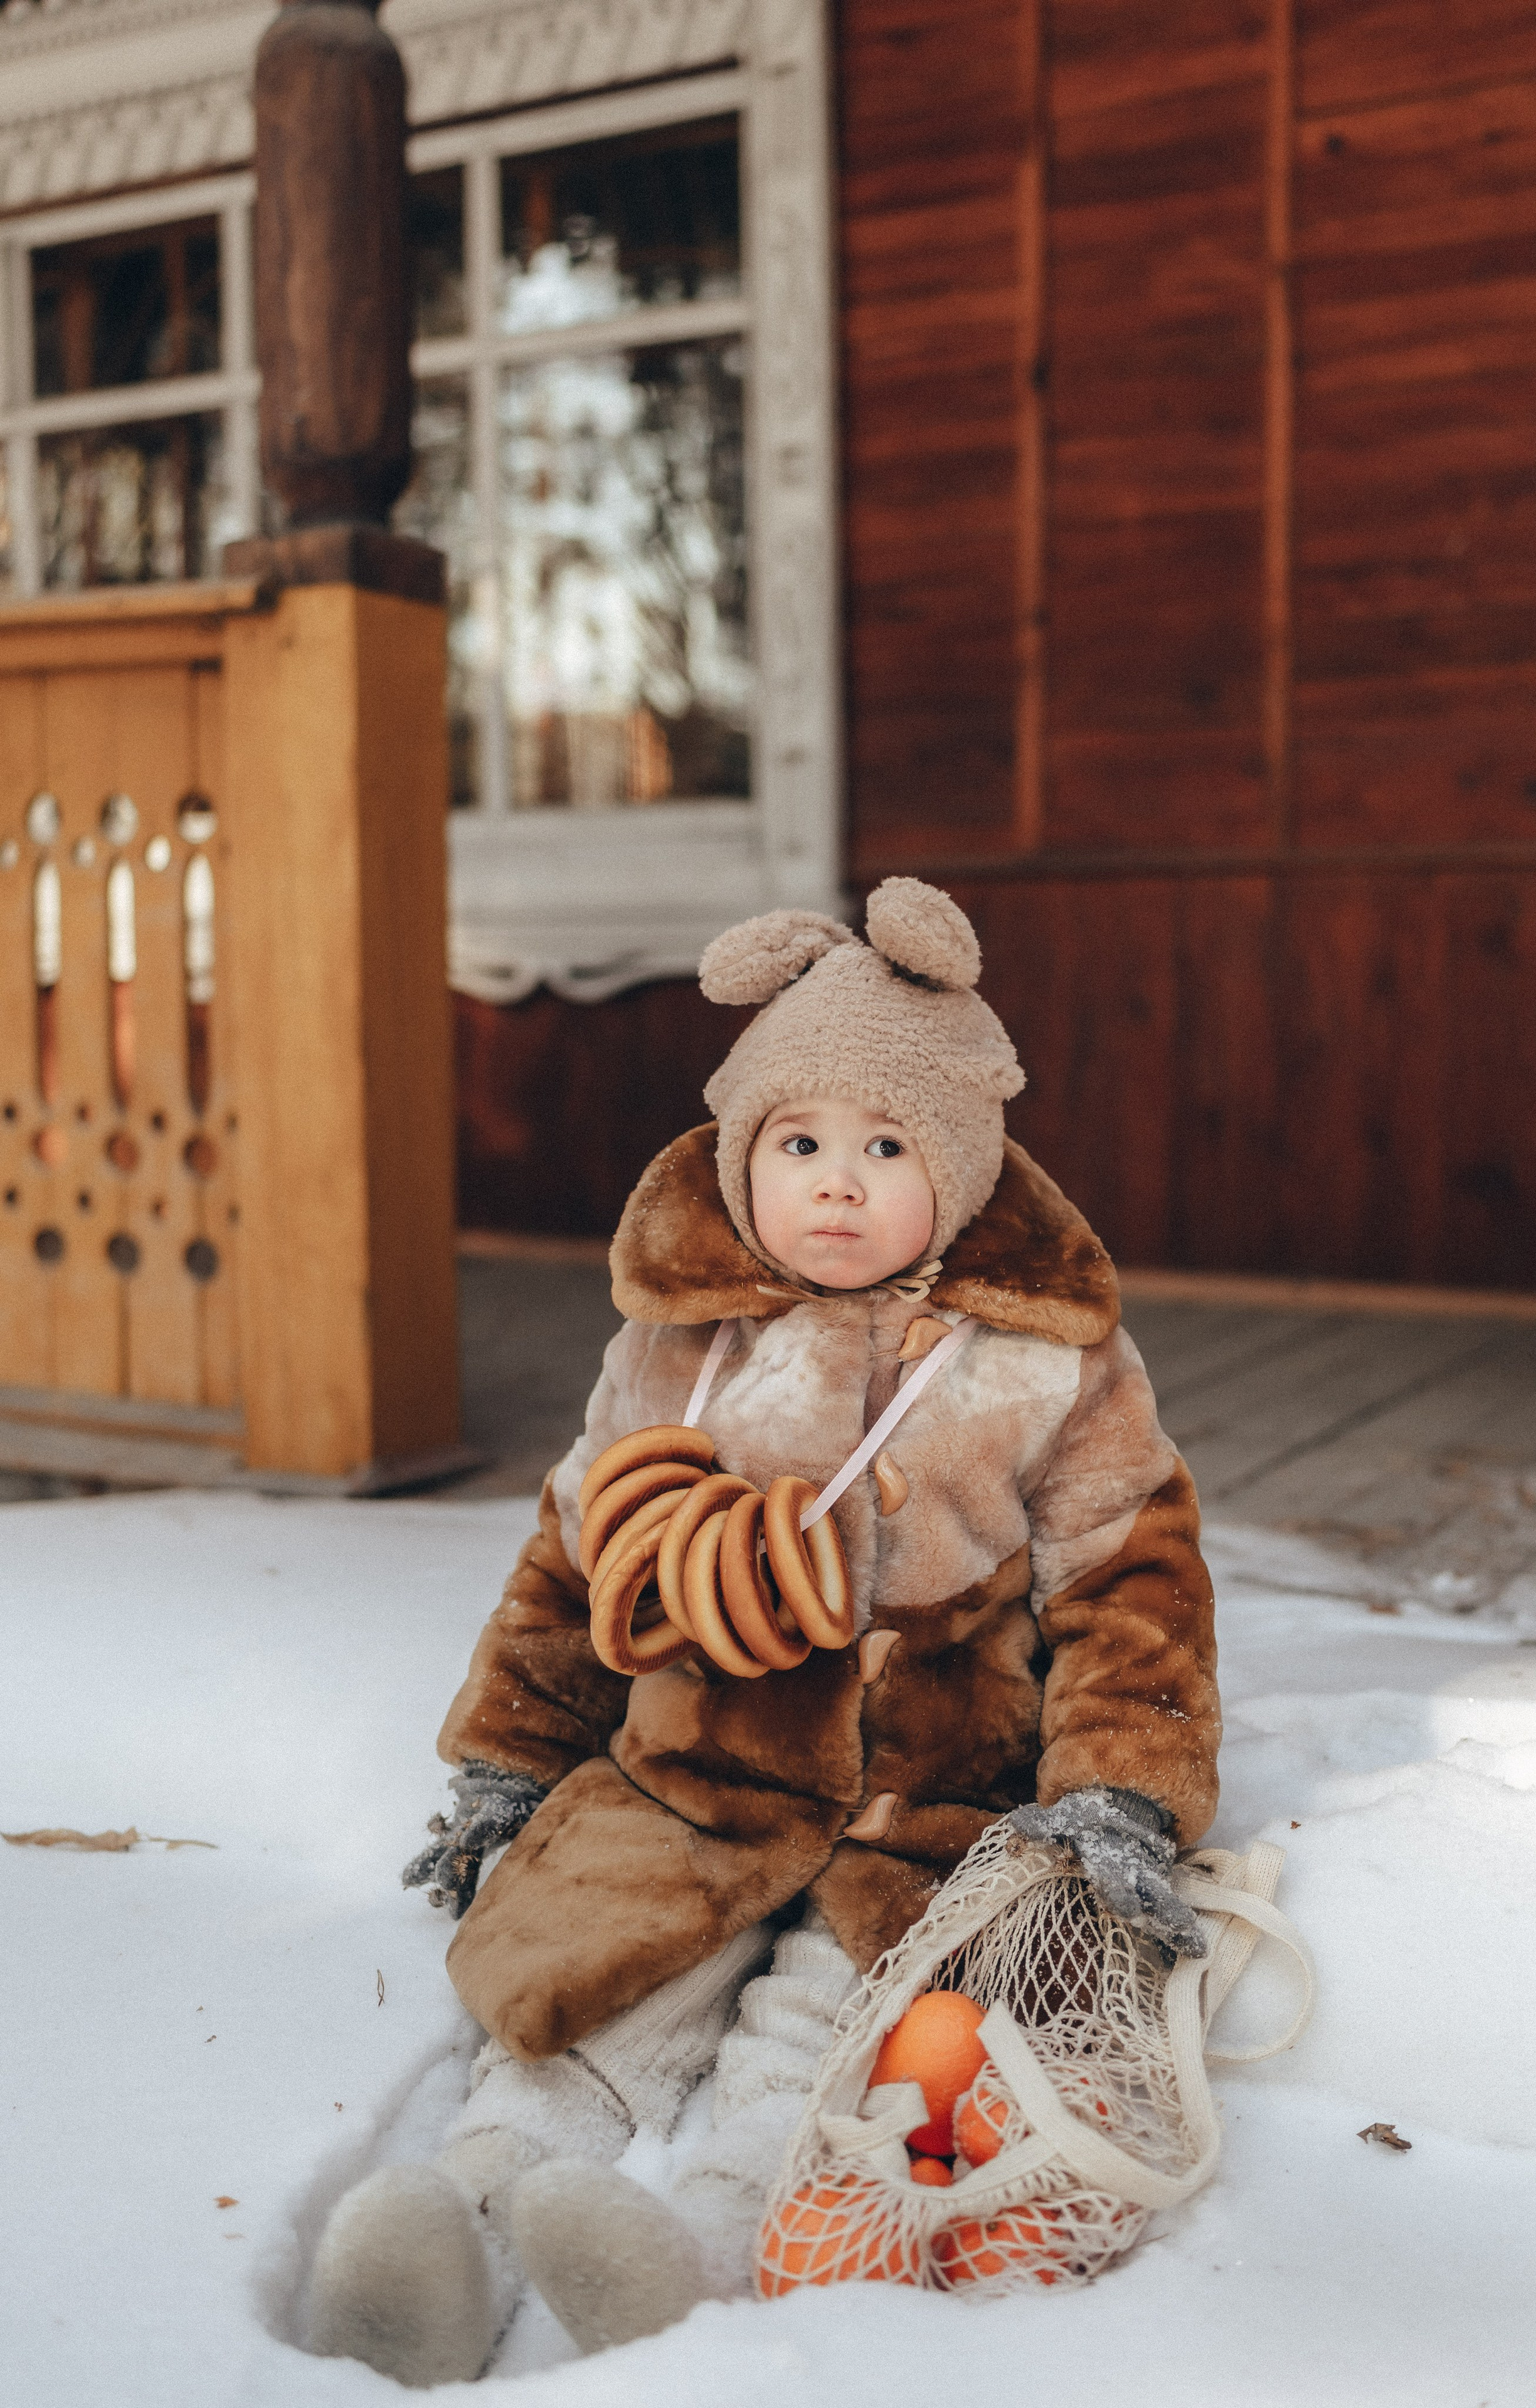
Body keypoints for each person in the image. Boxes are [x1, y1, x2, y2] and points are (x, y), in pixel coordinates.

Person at [308, 879, 1221, 2384]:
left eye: (884, 1148)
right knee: (589, 1984)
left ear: (963, 1162)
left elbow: (1133, 1579)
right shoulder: (676, 1344)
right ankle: (453, 2226)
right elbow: (572, 1556)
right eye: (798, 1145)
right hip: (696, 1764)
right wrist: (507, 1766)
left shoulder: (1048, 1362)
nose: (836, 1186)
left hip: (926, 1793)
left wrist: (1116, 1788)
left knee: (824, 2032)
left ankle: (703, 2251)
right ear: (743, 1158)